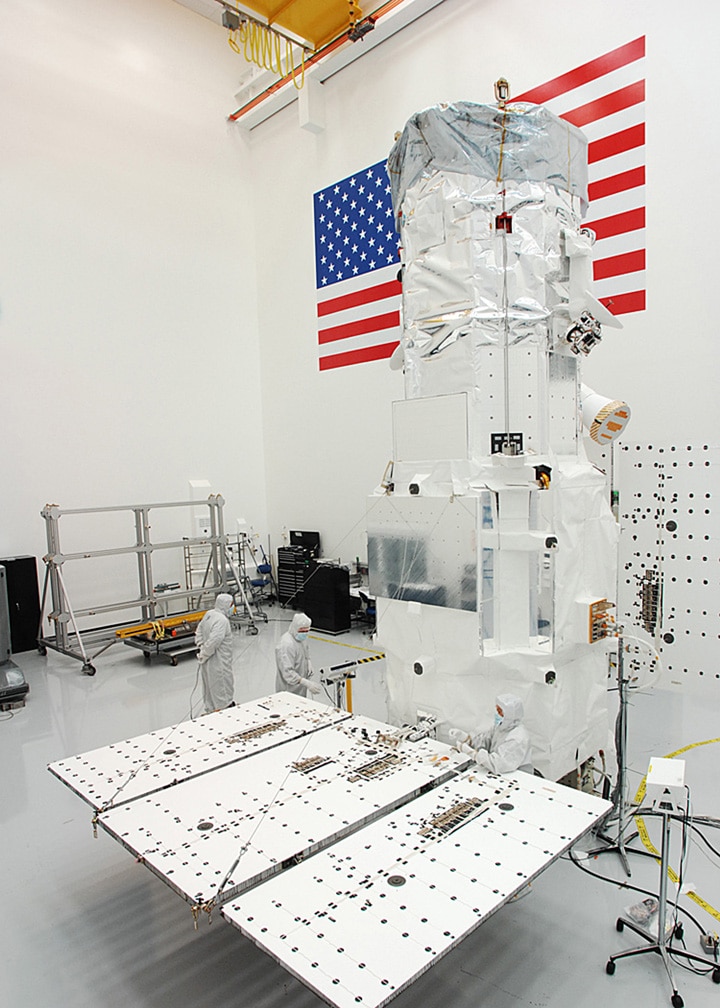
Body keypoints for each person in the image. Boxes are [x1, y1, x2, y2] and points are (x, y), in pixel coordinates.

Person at [449, 693, 533, 773]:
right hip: (500, 772)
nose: (497, 714)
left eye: (500, 711)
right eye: (497, 709)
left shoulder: (517, 738)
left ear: (510, 715)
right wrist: (465, 737)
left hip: (518, 777)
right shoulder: (501, 727)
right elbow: (485, 742)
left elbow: (498, 764)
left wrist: (472, 754)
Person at [195, 593, 235, 713]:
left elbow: (199, 631)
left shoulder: (209, 614)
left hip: (208, 661)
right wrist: (205, 653)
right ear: (226, 605)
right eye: (231, 605)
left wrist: (201, 648)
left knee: (209, 690)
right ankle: (224, 714)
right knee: (222, 691)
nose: (233, 607)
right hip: (219, 663)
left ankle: (211, 712)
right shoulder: (222, 620)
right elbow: (214, 641)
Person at [275, 613, 322, 697]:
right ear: (295, 628)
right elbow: (288, 673)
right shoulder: (286, 645)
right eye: (302, 631)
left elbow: (305, 650)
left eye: (307, 630)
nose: (305, 633)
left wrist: (308, 661)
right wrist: (306, 682)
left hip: (300, 688)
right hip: (288, 690)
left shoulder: (300, 638)